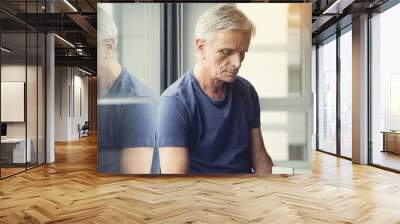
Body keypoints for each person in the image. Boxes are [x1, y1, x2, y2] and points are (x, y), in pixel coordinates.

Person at [157, 4, 273, 174]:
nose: (237, 63)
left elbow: (260, 157)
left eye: (242, 53)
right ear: (201, 47)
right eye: (226, 52)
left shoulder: (247, 91)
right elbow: (175, 184)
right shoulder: (174, 103)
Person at [97, 7, 158, 174]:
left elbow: (133, 184)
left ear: (109, 47)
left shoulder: (138, 102)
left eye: (90, 47)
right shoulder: (102, 92)